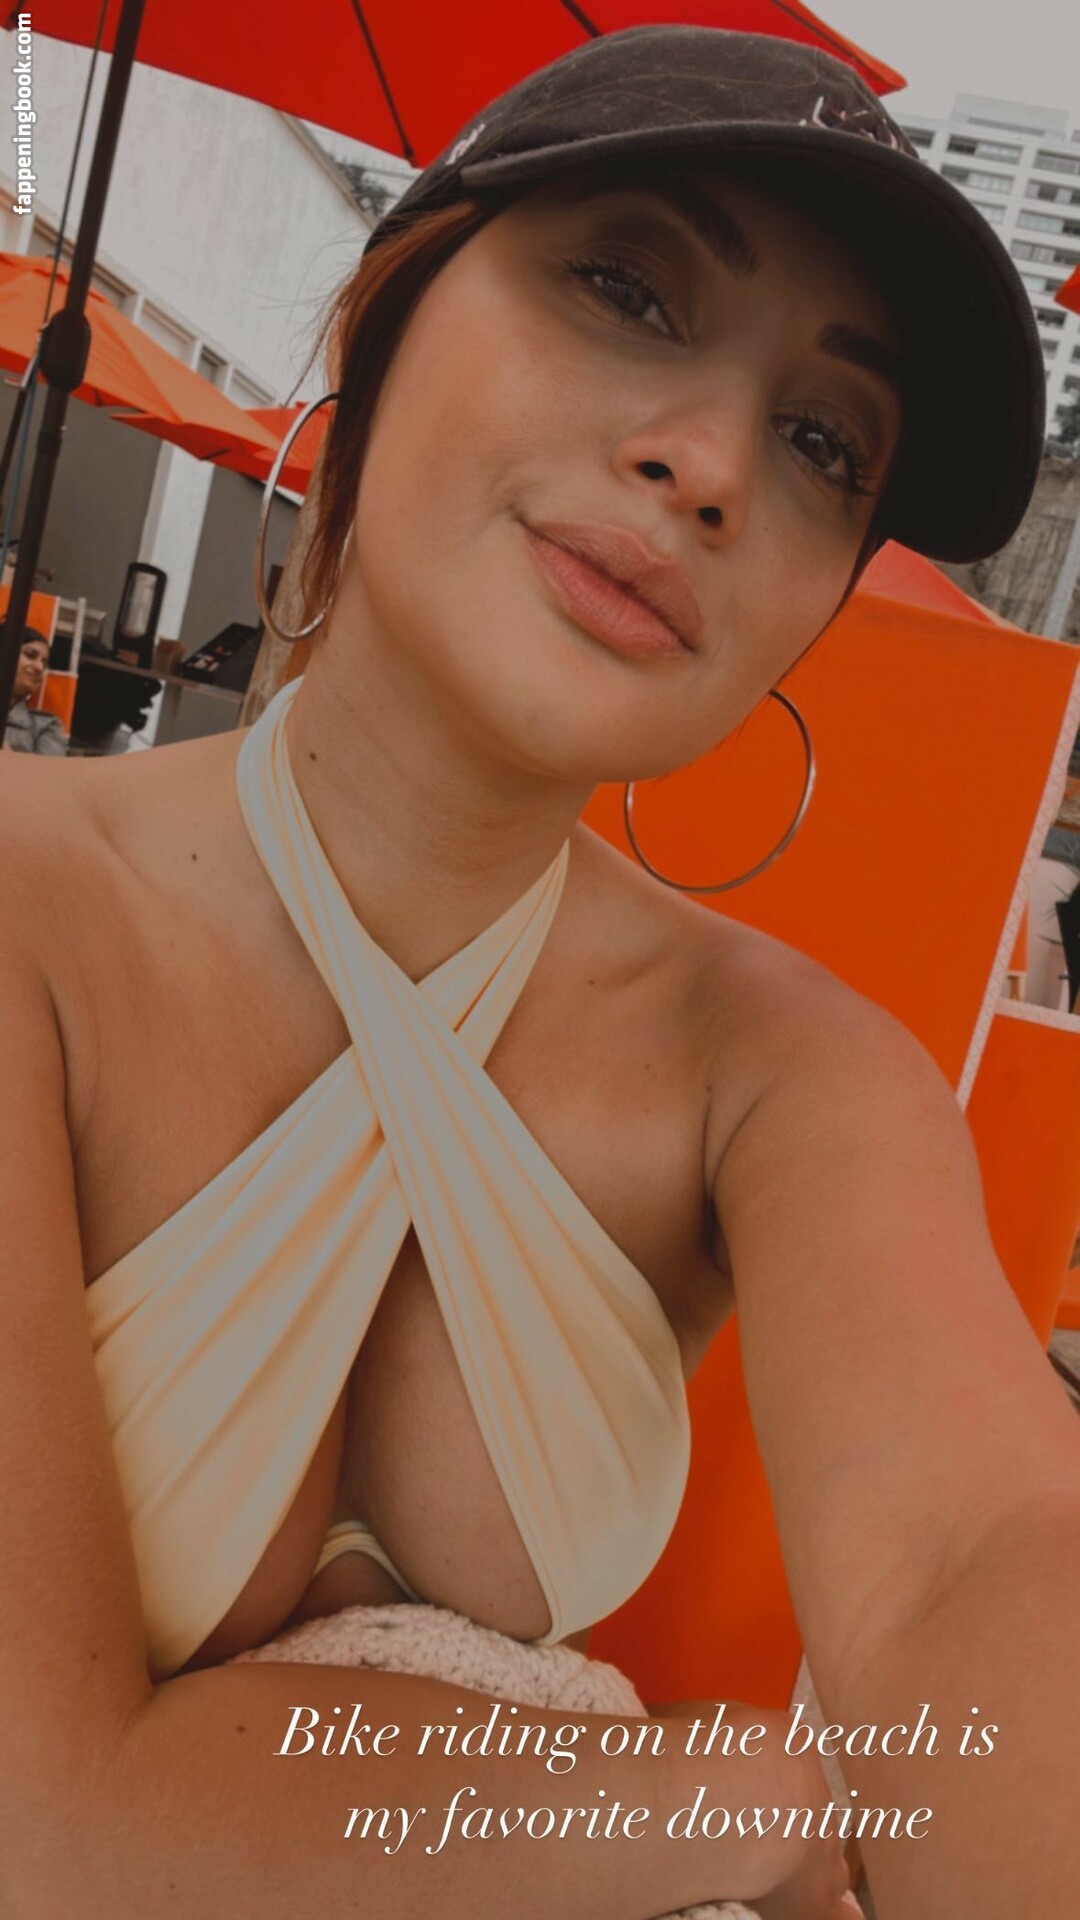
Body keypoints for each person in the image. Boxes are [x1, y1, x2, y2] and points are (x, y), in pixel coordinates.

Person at [1, 26, 1077, 1920]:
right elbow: (44, 1825)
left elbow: (971, 1555)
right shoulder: (27, 913)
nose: (711, 464)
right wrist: (730, 1790)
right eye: (628, 289)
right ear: (387, 317)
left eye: (826, 442)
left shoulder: (786, 1070)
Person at [2, 623, 68, 754]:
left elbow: (50, 767)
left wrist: (8, 757)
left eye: (44, 662)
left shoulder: (44, 727)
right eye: (30, 655)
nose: (39, 667)